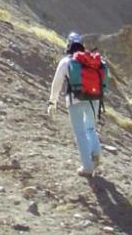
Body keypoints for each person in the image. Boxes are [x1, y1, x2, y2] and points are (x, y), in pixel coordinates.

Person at [47, 31, 103, 177]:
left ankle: (87, 167)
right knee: (90, 128)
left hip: (75, 99)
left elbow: (57, 83)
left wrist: (53, 101)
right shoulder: (89, 60)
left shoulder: (66, 61)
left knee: (80, 133)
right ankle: (95, 156)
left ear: (68, 44)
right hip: (94, 98)